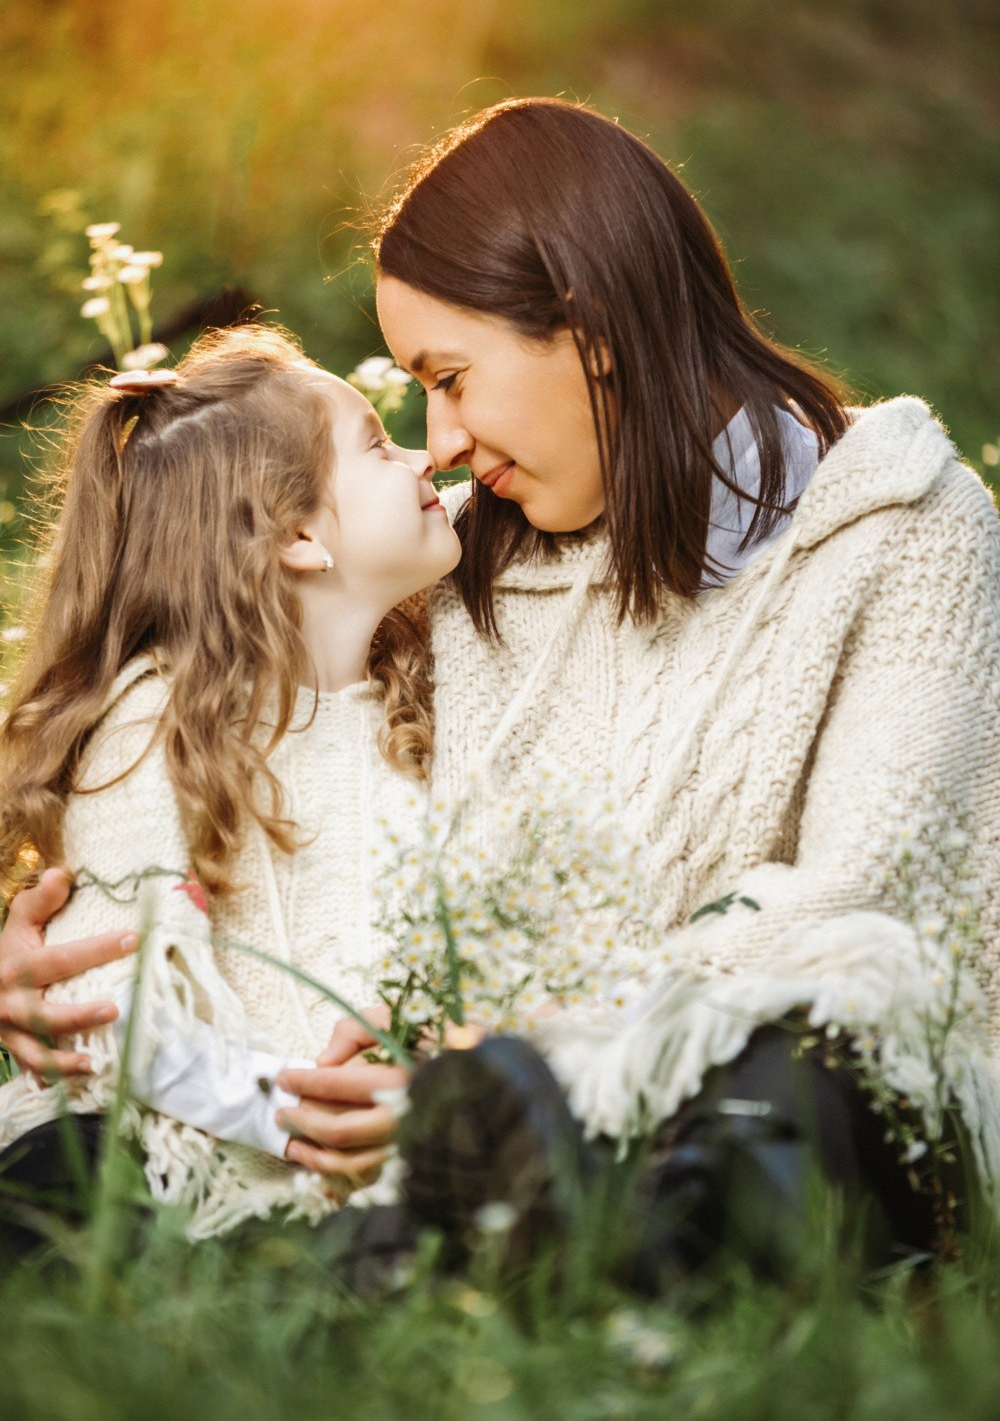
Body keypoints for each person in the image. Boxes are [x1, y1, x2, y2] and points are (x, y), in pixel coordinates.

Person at [4, 97, 999, 1278]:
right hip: (479, 1116)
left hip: (735, 1085)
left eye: (452, 377)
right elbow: (214, 685)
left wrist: (523, 1061)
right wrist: (42, 974)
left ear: (589, 327)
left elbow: (866, 908)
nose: (443, 440)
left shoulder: (897, 530)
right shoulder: (466, 550)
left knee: (784, 1089)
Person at [0, 323, 461, 1244]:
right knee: (63, 1186)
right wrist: (287, 1114)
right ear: (295, 534)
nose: (423, 456)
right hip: (171, 1151)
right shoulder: (154, 720)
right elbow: (116, 1008)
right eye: (378, 444)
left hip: (369, 1159)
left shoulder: (423, 705)